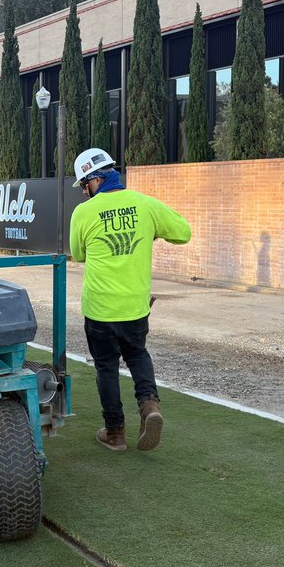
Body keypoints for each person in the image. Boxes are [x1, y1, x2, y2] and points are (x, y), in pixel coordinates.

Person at [68, 147, 191, 452]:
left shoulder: (84, 213)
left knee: (106, 367)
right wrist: (151, 233)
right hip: (135, 307)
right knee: (137, 355)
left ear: (93, 181)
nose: (85, 193)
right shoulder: (145, 204)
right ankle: (149, 406)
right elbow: (183, 233)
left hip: (99, 308)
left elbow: (79, 254)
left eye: (84, 187)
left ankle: (115, 433)